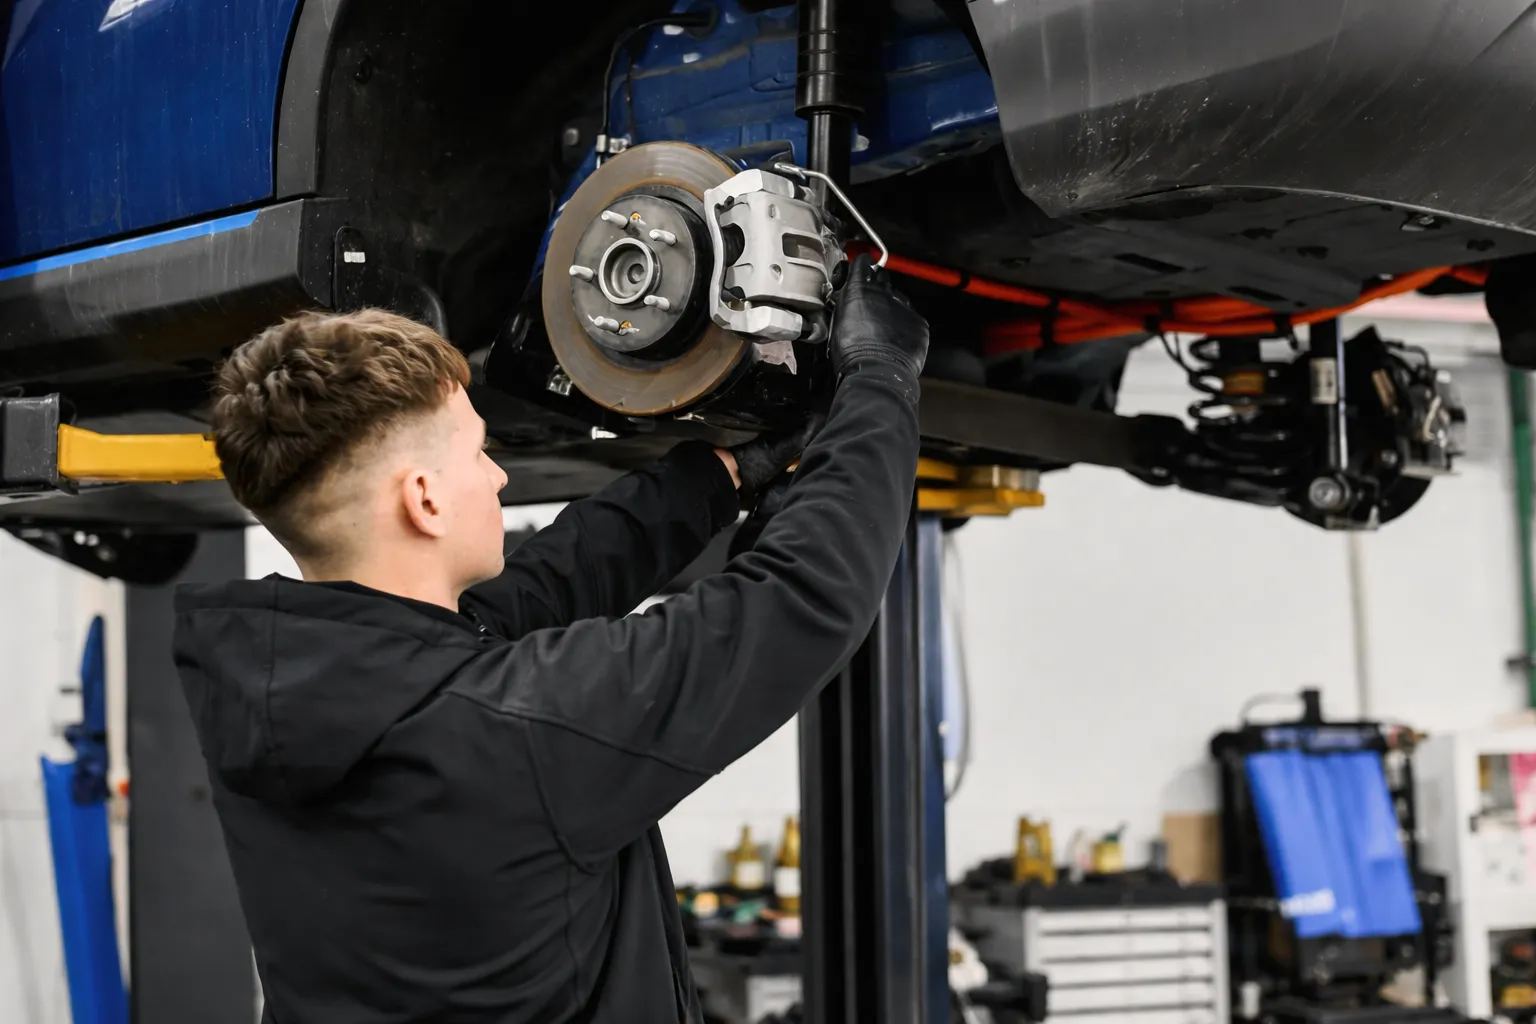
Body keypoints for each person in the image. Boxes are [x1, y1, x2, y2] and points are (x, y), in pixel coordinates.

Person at [173, 252, 928, 1023]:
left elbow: (536, 592)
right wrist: (879, 376)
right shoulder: (511, 734)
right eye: (477, 451)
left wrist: (720, 478)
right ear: (424, 498)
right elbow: (800, 600)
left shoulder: (273, 698)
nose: (498, 477)